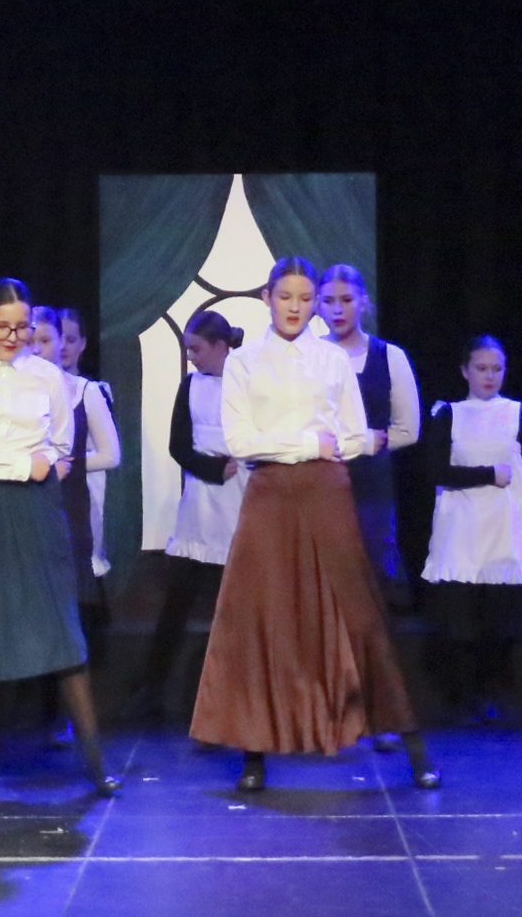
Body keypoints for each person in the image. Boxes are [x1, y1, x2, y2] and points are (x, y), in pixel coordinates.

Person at [192, 258, 438, 792]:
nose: (296, 307)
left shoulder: (332, 359)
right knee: (261, 616)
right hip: (270, 494)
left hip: (327, 490)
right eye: (286, 297)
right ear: (267, 298)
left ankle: (412, 745)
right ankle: (253, 753)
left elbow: (351, 435)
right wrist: (307, 443)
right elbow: (241, 441)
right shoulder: (244, 362)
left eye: (305, 299)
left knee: (358, 612)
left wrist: (326, 446)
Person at [0, 279, 121, 799]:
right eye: (3, 327)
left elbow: (59, 445)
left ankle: (96, 763)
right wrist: (20, 464)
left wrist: (42, 465)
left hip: (35, 510)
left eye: (23, 328)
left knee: (61, 631)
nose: (14, 337)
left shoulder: (47, 376)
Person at [127, 310, 249, 722]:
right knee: (176, 605)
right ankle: (152, 688)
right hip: (199, 508)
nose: (191, 357)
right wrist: (213, 468)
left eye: (196, 349)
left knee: (234, 610)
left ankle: (232, 694)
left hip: (240, 504)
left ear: (220, 346)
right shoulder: (191, 386)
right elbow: (178, 445)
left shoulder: (247, 382)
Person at [419, 336, 522, 724]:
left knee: (500, 614)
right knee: (462, 615)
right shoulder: (449, 414)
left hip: (504, 524)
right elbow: (435, 471)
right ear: (465, 371)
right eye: (481, 368)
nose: (489, 376)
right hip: (463, 525)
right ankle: (463, 695)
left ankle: (497, 692)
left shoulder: (519, 413)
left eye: (496, 369)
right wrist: (488, 474)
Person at [316, 267, 420, 617]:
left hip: (372, 482)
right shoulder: (308, 357)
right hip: (321, 478)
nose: (337, 309)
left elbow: (409, 429)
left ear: (363, 303)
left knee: (373, 571)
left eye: (346, 300)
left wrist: (370, 442)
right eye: (329, 301)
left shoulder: (389, 356)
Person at [30, 307, 122, 661]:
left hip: (73, 502)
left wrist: (63, 465)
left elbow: (111, 454)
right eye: (31, 340)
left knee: (75, 599)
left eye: (46, 340)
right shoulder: (17, 391)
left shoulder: (86, 391)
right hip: (31, 503)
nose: (37, 348)